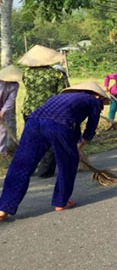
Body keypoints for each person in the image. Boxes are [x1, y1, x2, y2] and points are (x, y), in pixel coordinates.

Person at [0, 82, 109, 221]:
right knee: (67, 164)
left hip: (33, 123)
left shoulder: (61, 97)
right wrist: (78, 149)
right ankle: (61, 202)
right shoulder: (93, 101)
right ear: (98, 96)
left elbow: (72, 126)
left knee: (21, 165)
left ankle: (3, 208)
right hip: (59, 126)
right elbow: (89, 130)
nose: (101, 107)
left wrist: (75, 147)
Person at [19, 45, 69, 178]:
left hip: (29, 110)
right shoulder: (57, 74)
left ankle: (27, 169)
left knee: (32, 140)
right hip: (50, 111)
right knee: (51, 141)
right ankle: (45, 170)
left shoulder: (27, 73)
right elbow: (63, 93)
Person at [0, 65, 22, 157]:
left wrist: (3, 110)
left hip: (5, 109)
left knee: (3, 131)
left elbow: (11, 99)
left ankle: (1, 152)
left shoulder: (15, 85)